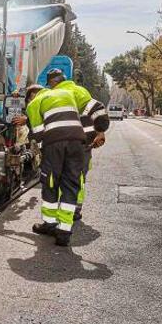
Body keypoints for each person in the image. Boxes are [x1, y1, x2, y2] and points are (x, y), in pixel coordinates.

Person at [13, 82, 86, 246]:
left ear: (31, 96)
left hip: (55, 146)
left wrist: (31, 128)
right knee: (70, 185)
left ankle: (50, 224)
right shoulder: (65, 94)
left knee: (51, 182)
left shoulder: (35, 103)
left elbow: (38, 135)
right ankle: (64, 232)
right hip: (77, 144)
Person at [46, 69, 110, 221]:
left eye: (50, 84)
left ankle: (62, 209)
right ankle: (74, 209)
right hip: (83, 143)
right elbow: (98, 108)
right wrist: (100, 132)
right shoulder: (80, 91)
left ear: (53, 82)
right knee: (78, 176)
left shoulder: (53, 95)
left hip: (60, 144)